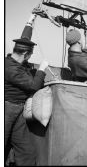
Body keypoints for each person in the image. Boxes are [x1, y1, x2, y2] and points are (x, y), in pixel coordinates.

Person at [5, 13, 49, 165]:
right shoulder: (11, 69)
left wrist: (30, 22)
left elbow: (24, 40)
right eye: (29, 55)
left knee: (27, 151)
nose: (30, 58)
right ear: (25, 54)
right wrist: (42, 70)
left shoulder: (16, 60)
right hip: (6, 109)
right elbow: (34, 86)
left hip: (18, 110)